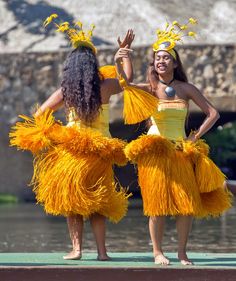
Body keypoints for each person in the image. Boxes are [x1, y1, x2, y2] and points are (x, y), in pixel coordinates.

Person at [10, 14, 134, 261]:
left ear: (71, 66)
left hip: (73, 152)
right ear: (93, 64)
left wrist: (58, 130)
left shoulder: (65, 91)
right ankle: (102, 252)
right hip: (100, 152)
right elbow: (127, 81)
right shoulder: (105, 87)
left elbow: (40, 113)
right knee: (98, 201)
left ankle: (77, 250)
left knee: (73, 202)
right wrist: (124, 54)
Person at [115, 18, 232, 265]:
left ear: (175, 62)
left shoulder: (186, 88)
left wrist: (196, 136)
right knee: (157, 205)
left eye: (166, 57)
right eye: (157, 57)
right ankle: (158, 252)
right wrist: (123, 56)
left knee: (186, 204)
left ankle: (182, 252)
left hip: (180, 150)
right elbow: (124, 84)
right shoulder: (149, 87)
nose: (161, 61)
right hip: (154, 150)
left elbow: (213, 113)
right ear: (153, 63)